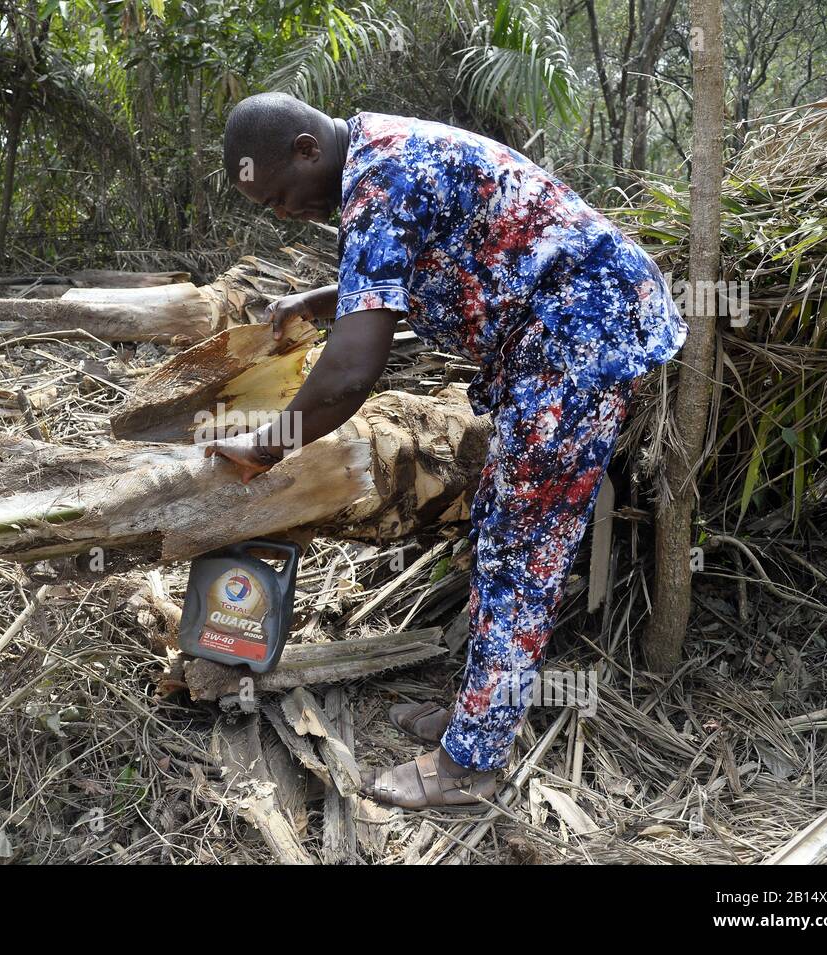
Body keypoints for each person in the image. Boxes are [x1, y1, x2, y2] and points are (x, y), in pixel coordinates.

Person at [205, 92, 687, 809]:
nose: (284, 213)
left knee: (523, 547)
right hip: (566, 332)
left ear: (308, 148)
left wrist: (262, 448)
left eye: (280, 196)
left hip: (580, 337)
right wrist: (318, 299)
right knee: (500, 521)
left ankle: (471, 763)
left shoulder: (378, 179)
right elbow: (411, 261)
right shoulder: (376, 159)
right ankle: (476, 716)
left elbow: (348, 374)